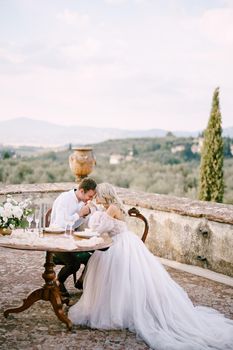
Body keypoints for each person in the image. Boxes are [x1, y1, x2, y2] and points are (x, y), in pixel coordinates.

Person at [68, 183, 233, 350]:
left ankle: (119, 311)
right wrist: (96, 210)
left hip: (121, 245)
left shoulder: (111, 208)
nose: (95, 197)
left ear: (104, 195)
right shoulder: (110, 207)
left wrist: (92, 210)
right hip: (119, 242)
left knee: (115, 274)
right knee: (111, 272)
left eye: (97, 195)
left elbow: (97, 228)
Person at [50, 177, 97, 297]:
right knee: (74, 263)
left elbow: (75, 224)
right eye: (90, 196)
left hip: (69, 240)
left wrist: (84, 215)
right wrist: (80, 214)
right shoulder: (65, 199)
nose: (90, 199)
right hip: (56, 241)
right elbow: (61, 225)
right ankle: (58, 282)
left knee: (94, 255)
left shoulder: (80, 201)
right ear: (81, 191)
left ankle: (82, 282)